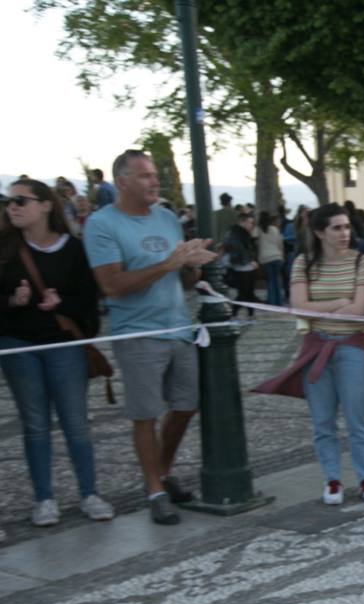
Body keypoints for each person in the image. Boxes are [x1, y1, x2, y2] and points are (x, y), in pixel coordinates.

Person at [85, 150, 215, 525]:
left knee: (186, 405)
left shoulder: (167, 217)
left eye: (154, 175)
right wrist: (167, 264)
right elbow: (111, 286)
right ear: (122, 182)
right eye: (144, 176)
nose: (154, 182)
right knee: (145, 414)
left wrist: (192, 264)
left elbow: (182, 279)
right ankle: (155, 489)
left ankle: (163, 469)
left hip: (179, 327)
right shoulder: (102, 224)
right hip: (137, 332)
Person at [253, 203, 364, 504]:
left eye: (346, 227)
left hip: (353, 346)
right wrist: (340, 301)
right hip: (316, 348)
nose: (344, 233)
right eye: (336, 228)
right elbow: (298, 305)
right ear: (319, 232)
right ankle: (332, 479)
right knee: (323, 420)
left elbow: (359, 309)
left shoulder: (362, 262)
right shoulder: (303, 263)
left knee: (358, 417)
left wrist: (324, 308)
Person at [0, 178, 115, 526]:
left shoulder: (74, 249)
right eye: (9, 201)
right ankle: (44, 499)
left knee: (75, 421)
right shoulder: (5, 247)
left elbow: (89, 303)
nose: (13, 207)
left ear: (46, 205)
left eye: (21, 200)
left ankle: (89, 492)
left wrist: (61, 303)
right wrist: (12, 301)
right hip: (17, 344)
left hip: (63, 344)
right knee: (35, 424)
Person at [223, 210, 259, 316]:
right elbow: (239, 249)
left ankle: (250, 312)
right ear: (243, 222)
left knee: (249, 292)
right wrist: (249, 260)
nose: (251, 225)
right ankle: (234, 311)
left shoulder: (242, 233)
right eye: (250, 222)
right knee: (244, 292)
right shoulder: (236, 234)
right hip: (241, 266)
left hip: (246, 266)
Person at [256, 210, 286, 306]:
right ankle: (279, 302)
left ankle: (271, 302)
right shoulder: (274, 229)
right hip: (277, 256)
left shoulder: (258, 230)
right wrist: (282, 256)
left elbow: (255, 244)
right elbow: (280, 244)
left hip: (265, 258)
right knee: (277, 280)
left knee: (270, 281)